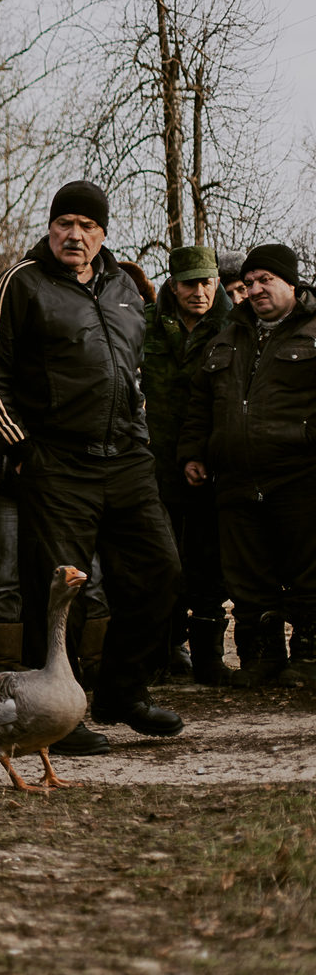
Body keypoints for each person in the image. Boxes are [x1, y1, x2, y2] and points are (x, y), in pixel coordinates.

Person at [0, 179, 184, 745]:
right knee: (59, 591)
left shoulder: (124, 287)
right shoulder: (21, 283)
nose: (75, 234)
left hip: (127, 458)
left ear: (103, 234)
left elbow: (135, 374)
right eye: (65, 223)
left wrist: (140, 433)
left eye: (87, 226)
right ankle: (59, 718)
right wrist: (22, 448)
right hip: (58, 462)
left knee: (160, 571)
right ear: (50, 228)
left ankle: (123, 690)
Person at [180, 244, 316, 688]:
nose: (255, 289)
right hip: (235, 479)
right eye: (250, 282)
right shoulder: (228, 334)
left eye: (266, 281)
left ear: (290, 283)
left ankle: (309, 659)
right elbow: (200, 404)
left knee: (307, 572)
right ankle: (263, 659)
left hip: (299, 476)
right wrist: (194, 453)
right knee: (247, 578)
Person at [141, 246, 232, 685]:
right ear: (173, 285)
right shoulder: (145, 326)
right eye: (191, 283)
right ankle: (166, 650)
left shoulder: (235, 327)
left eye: (207, 281)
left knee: (208, 563)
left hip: (212, 461)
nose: (200, 291)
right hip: (154, 461)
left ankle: (210, 657)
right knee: (161, 560)